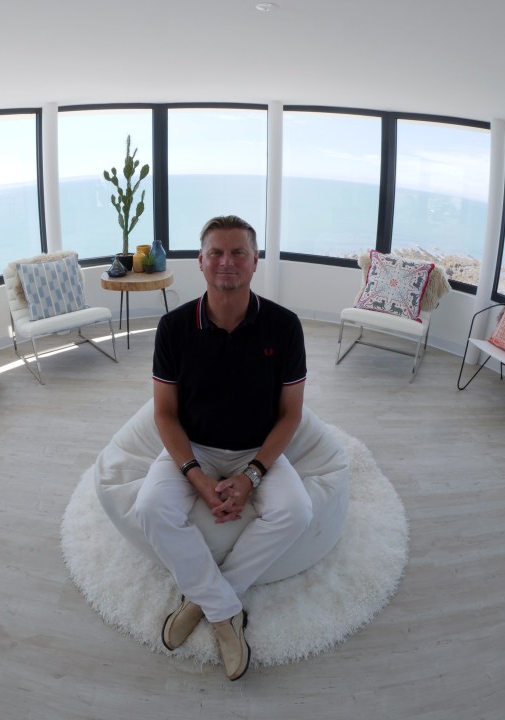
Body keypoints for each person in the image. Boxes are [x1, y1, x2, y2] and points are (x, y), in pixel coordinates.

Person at [134, 215, 312, 680]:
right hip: (194, 445)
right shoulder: (174, 327)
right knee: (150, 508)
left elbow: (291, 414)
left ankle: (205, 601)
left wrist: (252, 475)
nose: (226, 262)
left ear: (255, 261)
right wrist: (196, 476)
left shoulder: (285, 326)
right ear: (200, 261)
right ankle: (225, 610)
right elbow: (164, 414)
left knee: (298, 510)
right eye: (216, 252)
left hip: (256, 448)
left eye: (238, 253)